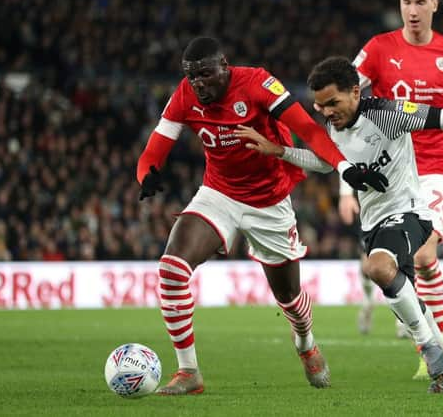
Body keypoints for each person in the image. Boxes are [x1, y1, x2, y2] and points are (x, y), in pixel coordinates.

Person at [136, 37, 389, 395]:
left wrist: (345, 169)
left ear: (225, 66)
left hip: (270, 202)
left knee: (290, 301)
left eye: (206, 74)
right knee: (172, 269)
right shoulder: (185, 94)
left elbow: (309, 130)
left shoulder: (257, 83)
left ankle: (306, 343)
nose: (199, 84)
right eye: (192, 78)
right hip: (218, 193)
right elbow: (154, 151)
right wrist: (146, 174)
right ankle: (188, 371)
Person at [234, 56, 443, 393]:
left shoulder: (387, 115)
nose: (327, 112)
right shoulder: (332, 128)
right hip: (373, 222)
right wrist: (279, 151)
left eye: (333, 102)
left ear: (355, 93)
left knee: (377, 267)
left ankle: (429, 347)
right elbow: (323, 162)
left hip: (411, 212)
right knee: (402, 290)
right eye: (320, 107)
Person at [343, 0, 443, 379]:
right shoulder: (377, 49)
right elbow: (343, 98)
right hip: (390, 169)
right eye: (407, 1)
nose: (412, 10)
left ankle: (432, 350)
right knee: (393, 264)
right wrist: (345, 183)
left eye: (421, 2)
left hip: (438, 166)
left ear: (435, 4)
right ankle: (438, 349)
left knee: (424, 258)